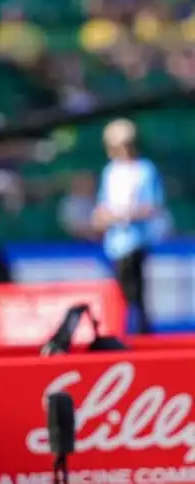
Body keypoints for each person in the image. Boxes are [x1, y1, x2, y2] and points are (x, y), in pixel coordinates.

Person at [92, 118, 169, 335]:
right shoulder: (111, 171)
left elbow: (152, 205)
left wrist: (125, 215)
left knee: (135, 289)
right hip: (116, 241)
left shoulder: (145, 170)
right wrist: (104, 217)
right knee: (121, 290)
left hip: (136, 239)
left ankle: (142, 331)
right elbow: (103, 204)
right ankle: (125, 329)